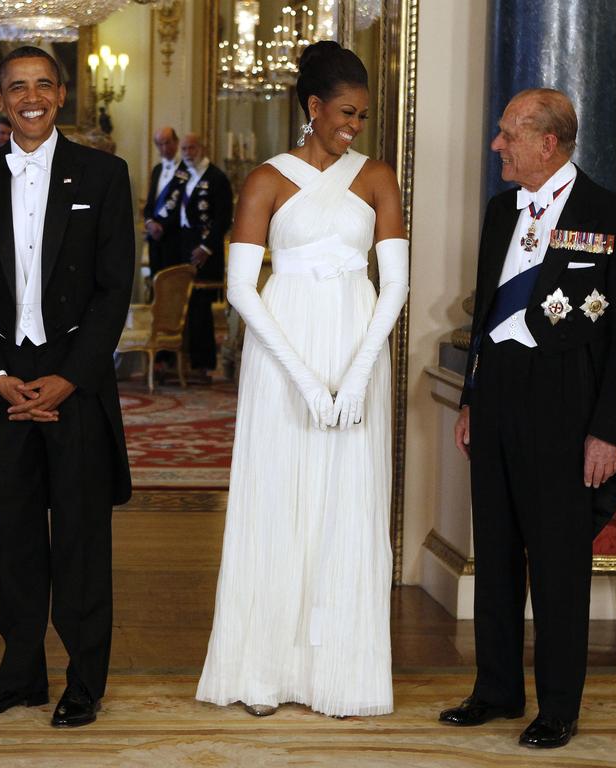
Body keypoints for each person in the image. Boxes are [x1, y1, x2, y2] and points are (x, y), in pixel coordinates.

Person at [440, 89, 616, 749]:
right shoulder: (501, 211)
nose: (496, 145)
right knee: (497, 550)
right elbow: (483, 323)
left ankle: (558, 706)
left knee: (559, 562)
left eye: (508, 134)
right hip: (500, 395)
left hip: (569, 406)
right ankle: (497, 689)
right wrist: (472, 398)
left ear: (548, 142)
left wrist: (611, 432)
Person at [196, 41, 408, 718]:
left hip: (356, 347)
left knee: (347, 502)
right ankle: (264, 668)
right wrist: (311, 385)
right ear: (312, 108)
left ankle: (339, 674)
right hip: (282, 354)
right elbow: (240, 289)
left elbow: (395, 286)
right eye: (345, 112)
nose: (355, 125)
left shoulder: (376, 176)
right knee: (277, 497)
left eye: (363, 115)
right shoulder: (265, 180)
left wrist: (355, 376)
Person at [0, 46, 135, 729]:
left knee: (81, 538)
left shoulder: (105, 176)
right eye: (17, 87)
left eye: (43, 85)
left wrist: (71, 377)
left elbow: (117, 288)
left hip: (74, 386)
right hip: (0, 385)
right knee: (12, 537)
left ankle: (84, 681)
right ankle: (20, 673)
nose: (31, 97)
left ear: (62, 95)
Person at [177, 132, 233, 382]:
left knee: (200, 309)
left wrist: (207, 248)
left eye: (192, 148)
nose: (188, 153)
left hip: (206, 252)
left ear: (202, 148)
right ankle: (181, 362)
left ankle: (204, 364)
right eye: (185, 149)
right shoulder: (182, 176)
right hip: (183, 247)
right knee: (182, 309)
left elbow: (223, 218)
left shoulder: (216, 177)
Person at [143, 126, 188, 276]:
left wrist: (162, 227)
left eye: (167, 143)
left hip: (175, 239)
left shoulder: (187, 170)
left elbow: (185, 206)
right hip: (155, 241)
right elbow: (150, 203)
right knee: (156, 282)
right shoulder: (156, 170)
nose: (164, 148)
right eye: (160, 144)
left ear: (176, 142)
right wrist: (149, 223)